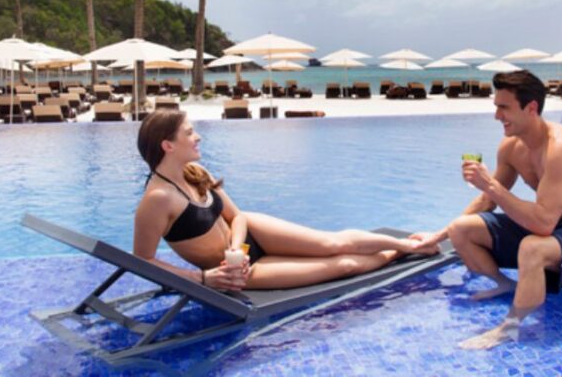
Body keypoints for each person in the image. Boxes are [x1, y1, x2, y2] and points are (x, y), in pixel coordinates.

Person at [133, 109, 436, 292]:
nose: (198, 136)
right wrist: (203, 278)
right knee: (342, 265)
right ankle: (396, 255)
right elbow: (142, 261)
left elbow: (236, 216)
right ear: (168, 145)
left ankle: (409, 245)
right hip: (239, 272)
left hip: (249, 237)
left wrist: (237, 247)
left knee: (333, 244)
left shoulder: (195, 171)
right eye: (189, 132)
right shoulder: (158, 199)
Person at [413, 70, 562, 349]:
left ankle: (510, 327)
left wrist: (491, 185)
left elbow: (541, 224)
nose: (497, 116)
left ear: (531, 108)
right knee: (461, 229)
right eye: (496, 107)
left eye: (504, 108)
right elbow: (486, 202)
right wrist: (438, 236)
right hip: (547, 228)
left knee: (532, 246)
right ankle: (505, 284)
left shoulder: (561, 148)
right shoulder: (510, 147)